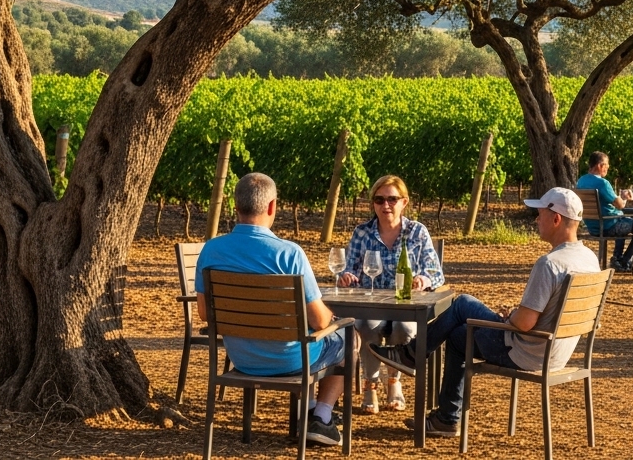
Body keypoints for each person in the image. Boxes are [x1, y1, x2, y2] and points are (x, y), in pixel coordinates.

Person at [369, 187, 601, 439]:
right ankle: (444, 417)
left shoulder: (550, 264)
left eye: (540, 213)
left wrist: (509, 317)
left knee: (462, 304)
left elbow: (523, 323)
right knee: (459, 336)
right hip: (557, 353)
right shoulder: (588, 258)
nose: (536, 219)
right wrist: (515, 315)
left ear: (556, 219)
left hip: (526, 352)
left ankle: (413, 355)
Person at [195, 173, 346, 445]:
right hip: (291, 362)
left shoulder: (211, 250)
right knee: (346, 337)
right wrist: (334, 319)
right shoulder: (289, 254)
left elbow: (206, 314)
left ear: (234, 205)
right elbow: (320, 321)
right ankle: (322, 417)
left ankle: (309, 412)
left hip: (242, 360)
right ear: (272, 206)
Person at [338, 174, 444, 414]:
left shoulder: (417, 232)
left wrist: (423, 279)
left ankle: (394, 383)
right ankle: (370, 386)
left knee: (404, 329)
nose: (385, 205)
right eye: (379, 200)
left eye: (392, 199)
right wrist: (346, 277)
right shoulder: (362, 232)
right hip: (371, 303)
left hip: (406, 303)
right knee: (365, 325)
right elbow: (350, 268)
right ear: (373, 203)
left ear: (404, 202)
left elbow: (436, 273)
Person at [576, 151, 633, 271]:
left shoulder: (581, 181)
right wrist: (625, 197)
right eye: (607, 165)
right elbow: (620, 205)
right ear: (600, 166)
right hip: (607, 226)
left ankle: (617, 258)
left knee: (624, 220)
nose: (608, 168)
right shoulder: (602, 183)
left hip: (592, 226)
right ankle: (624, 261)